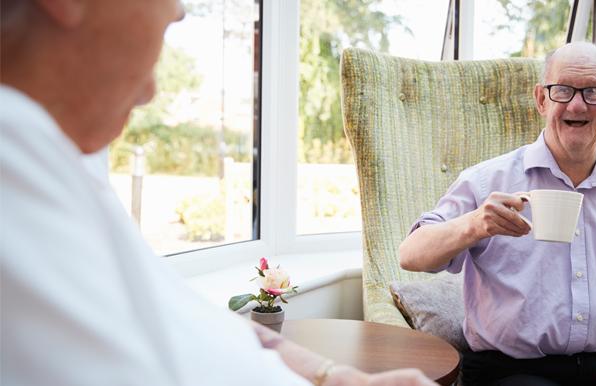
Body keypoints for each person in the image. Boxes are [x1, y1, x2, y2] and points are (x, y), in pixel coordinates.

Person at [0, 1, 437, 385]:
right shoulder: (15, 160)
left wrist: (332, 375)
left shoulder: (60, 158)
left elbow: (181, 317)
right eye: (167, 19)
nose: (151, 93)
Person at [399, 42, 596, 386]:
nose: (577, 104)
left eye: (593, 92)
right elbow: (411, 254)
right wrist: (475, 224)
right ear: (542, 99)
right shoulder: (487, 181)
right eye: (563, 90)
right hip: (513, 371)